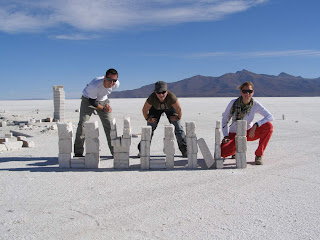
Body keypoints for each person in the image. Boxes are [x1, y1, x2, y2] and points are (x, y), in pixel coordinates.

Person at [221, 81, 273, 165]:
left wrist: (256, 125)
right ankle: (234, 150)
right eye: (245, 91)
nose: (247, 94)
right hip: (234, 134)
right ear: (241, 92)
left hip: (249, 132)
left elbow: (270, 116)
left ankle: (259, 155)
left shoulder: (255, 104)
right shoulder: (233, 103)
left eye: (250, 91)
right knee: (223, 152)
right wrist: (226, 135)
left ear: (253, 92)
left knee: (268, 126)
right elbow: (225, 119)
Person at [74, 68, 120, 157]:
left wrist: (106, 105)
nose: (111, 83)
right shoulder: (94, 85)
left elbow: (104, 93)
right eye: (109, 79)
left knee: (110, 126)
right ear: (104, 78)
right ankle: (78, 152)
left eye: (114, 80)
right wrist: (103, 109)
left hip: (103, 100)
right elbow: (92, 102)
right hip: (88, 100)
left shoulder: (116, 84)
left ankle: (115, 152)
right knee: (83, 124)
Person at [138, 81, 187, 157]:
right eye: (158, 92)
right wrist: (148, 118)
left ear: (167, 91)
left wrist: (178, 117)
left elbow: (179, 109)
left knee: (178, 128)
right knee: (149, 129)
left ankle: (185, 150)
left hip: (170, 109)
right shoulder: (152, 98)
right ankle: (142, 150)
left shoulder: (171, 97)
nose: (161, 95)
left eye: (163, 92)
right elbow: (144, 110)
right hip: (155, 109)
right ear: (155, 92)